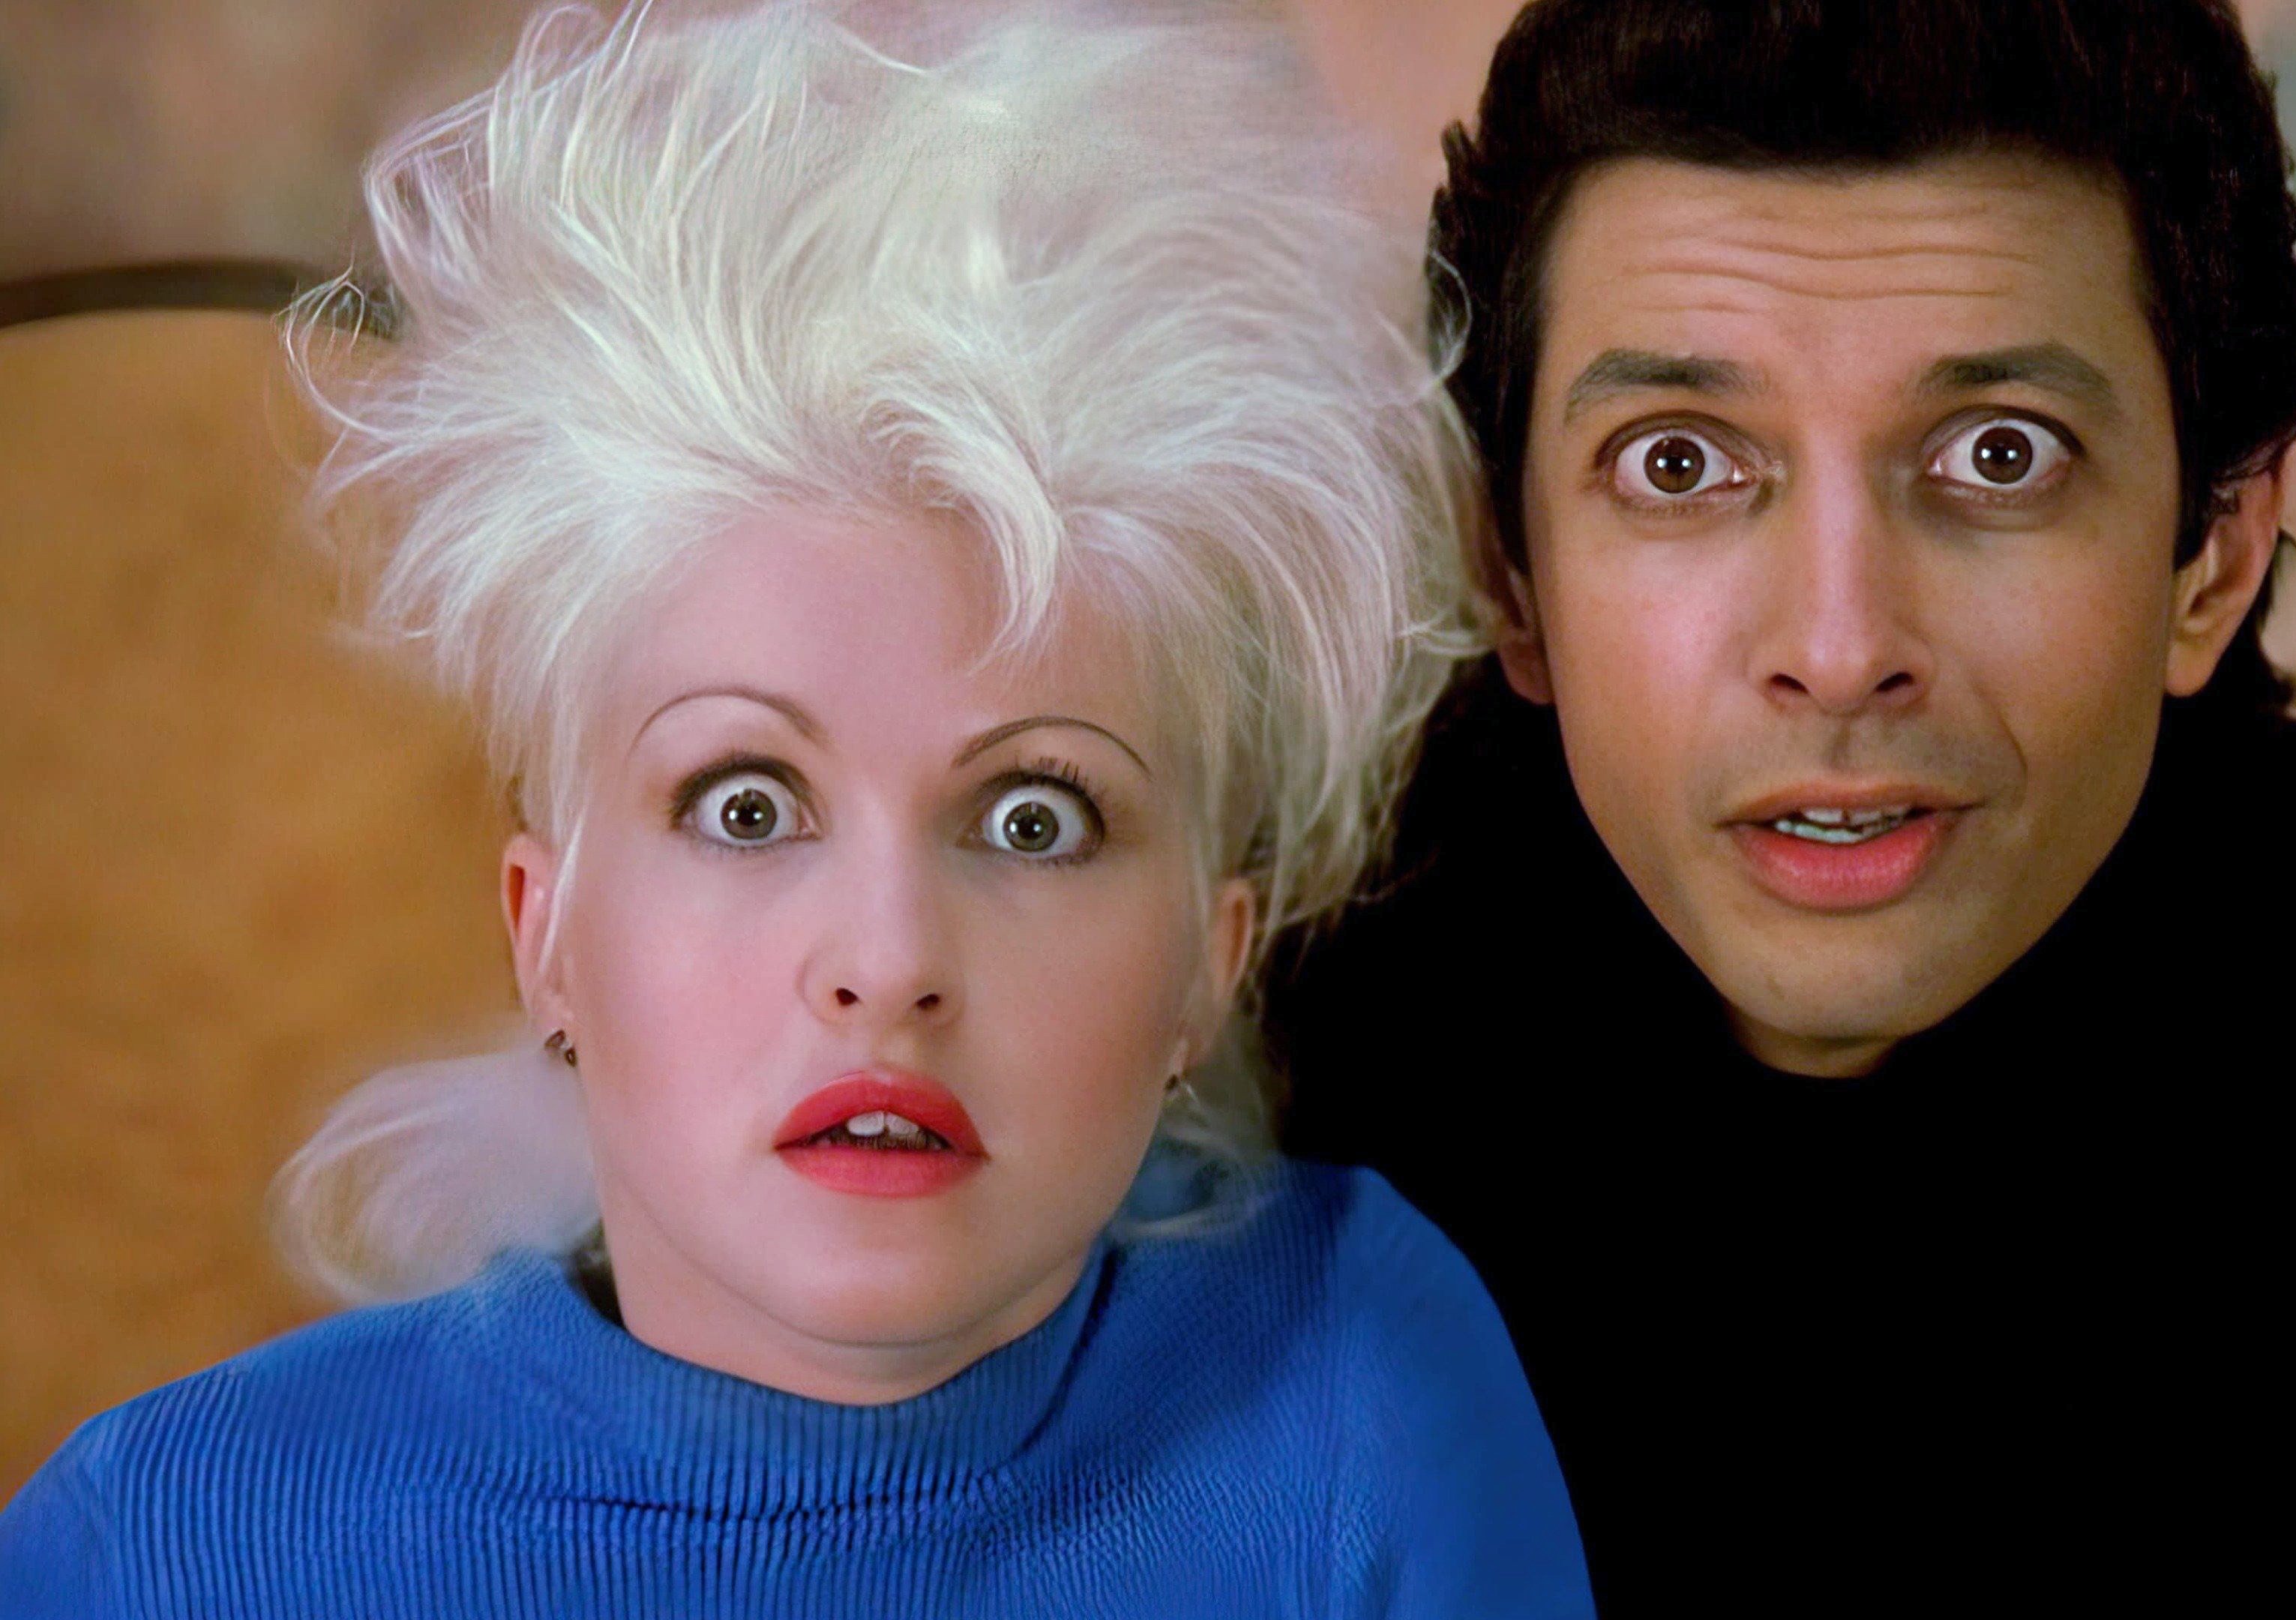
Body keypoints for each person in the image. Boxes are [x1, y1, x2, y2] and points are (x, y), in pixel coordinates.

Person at [1268, 0, 2296, 1598]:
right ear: (1510, 571)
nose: (1840, 648)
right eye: (1677, 463)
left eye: (2000, 457)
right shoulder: (1256, 1062)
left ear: (2213, 554)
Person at [0, 4, 1592, 1615]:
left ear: (1209, 962)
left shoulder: (1359, 1392)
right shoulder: (160, 1548)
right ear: (549, 939)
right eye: (749, 808)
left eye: (1034, 821)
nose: (888, 963)